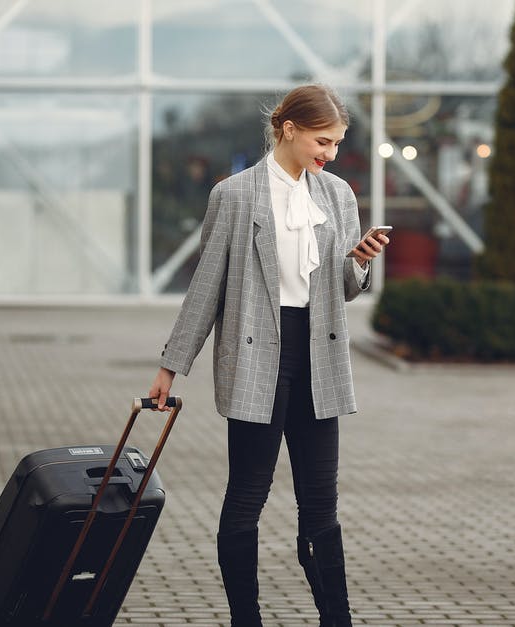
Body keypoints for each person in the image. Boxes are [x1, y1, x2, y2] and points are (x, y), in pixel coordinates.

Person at [147, 84, 389, 627]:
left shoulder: (338, 196)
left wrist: (361, 260)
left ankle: (337, 618)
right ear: (289, 130)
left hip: (318, 357)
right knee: (248, 496)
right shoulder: (234, 195)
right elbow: (205, 288)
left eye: (337, 144)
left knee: (321, 503)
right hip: (258, 355)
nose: (330, 153)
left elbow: (346, 288)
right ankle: (245, 619)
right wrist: (171, 366)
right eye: (322, 141)